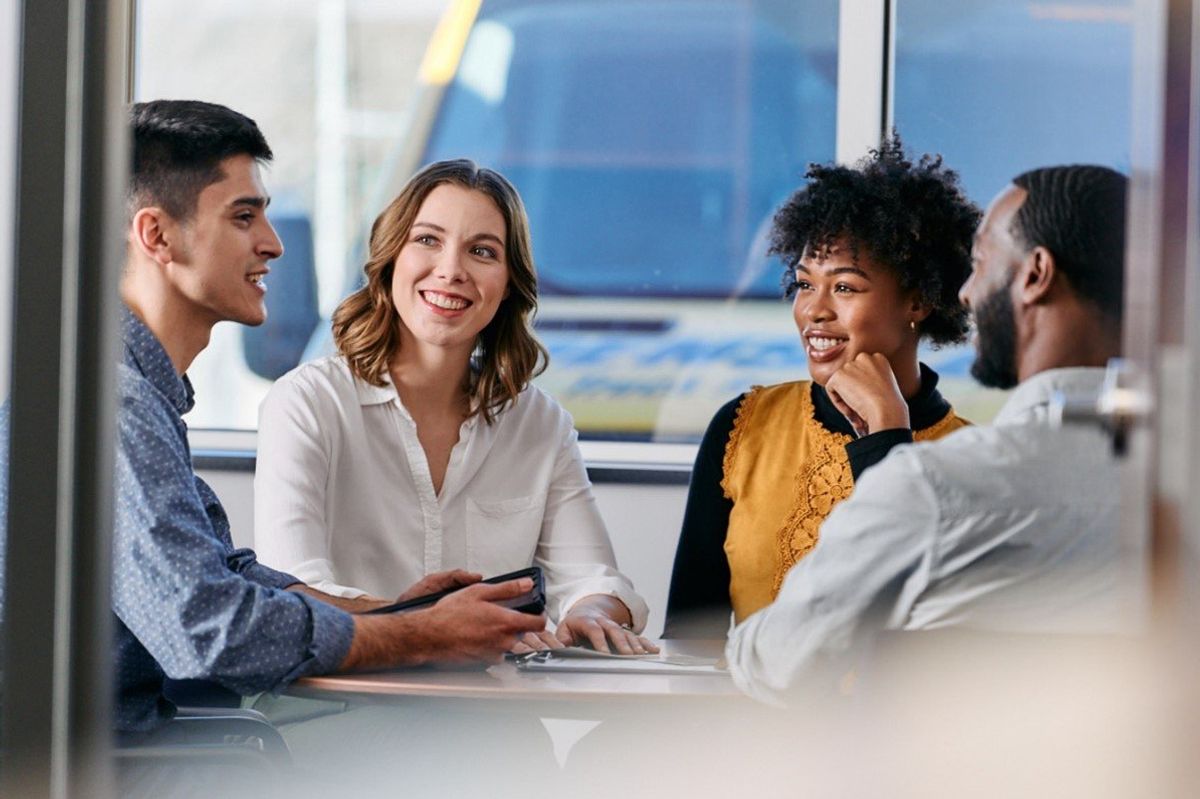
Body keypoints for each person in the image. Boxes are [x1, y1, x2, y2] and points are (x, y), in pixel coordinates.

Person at [56, 99, 546, 737]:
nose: (274, 243)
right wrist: (421, 634)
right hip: (103, 766)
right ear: (157, 235)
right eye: (243, 216)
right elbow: (213, 632)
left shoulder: (138, 395)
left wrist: (393, 614)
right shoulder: (114, 404)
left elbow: (224, 573)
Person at [726, 164, 1141, 705]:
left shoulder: (936, 484)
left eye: (982, 263)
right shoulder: (1170, 480)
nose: (967, 293)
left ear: (1036, 274)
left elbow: (779, 663)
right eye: (806, 283)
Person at [253, 159, 653, 655]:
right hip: (337, 712)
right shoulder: (307, 402)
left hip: (492, 716)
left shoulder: (539, 423)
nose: (451, 270)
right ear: (390, 257)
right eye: (427, 240)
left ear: (508, 283)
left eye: (482, 251)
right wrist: (431, 627)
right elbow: (291, 592)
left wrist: (589, 613)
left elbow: (594, 578)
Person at [664, 137, 978, 638]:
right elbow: (687, 635)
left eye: (845, 287)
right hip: (739, 715)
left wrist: (887, 435)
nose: (814, 310)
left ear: (918, 302)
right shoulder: (744, 425)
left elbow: (907, 624)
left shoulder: (969, 459)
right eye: (806, 283)